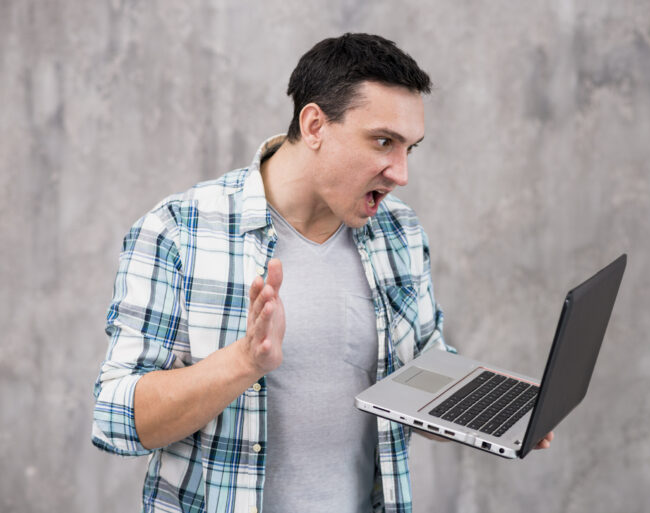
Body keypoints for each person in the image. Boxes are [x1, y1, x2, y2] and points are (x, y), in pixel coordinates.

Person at [92, 33, 553, 513]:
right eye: (382, 141)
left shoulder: (400, 232)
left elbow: (419, 377)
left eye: (409, 148)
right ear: (314, 125)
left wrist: (499, 408)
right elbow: (117, 418)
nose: (400, 173)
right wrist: (245, 362)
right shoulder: (178, 230)